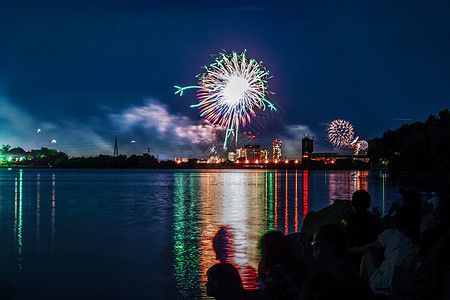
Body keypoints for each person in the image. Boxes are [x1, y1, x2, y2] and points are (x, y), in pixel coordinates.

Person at [300, 223, 375, 300]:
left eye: (316, 246)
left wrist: (310, 278)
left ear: (331, 248)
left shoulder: (341, 284)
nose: (313, 251)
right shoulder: (343, 272)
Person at [357, 205, 420, 291]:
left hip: (383, 282)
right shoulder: (418, 241)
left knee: (368, 255)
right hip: (405, 285)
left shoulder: (392, 234)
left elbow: (370, 246)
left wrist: (352, 250)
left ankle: (361, 290)